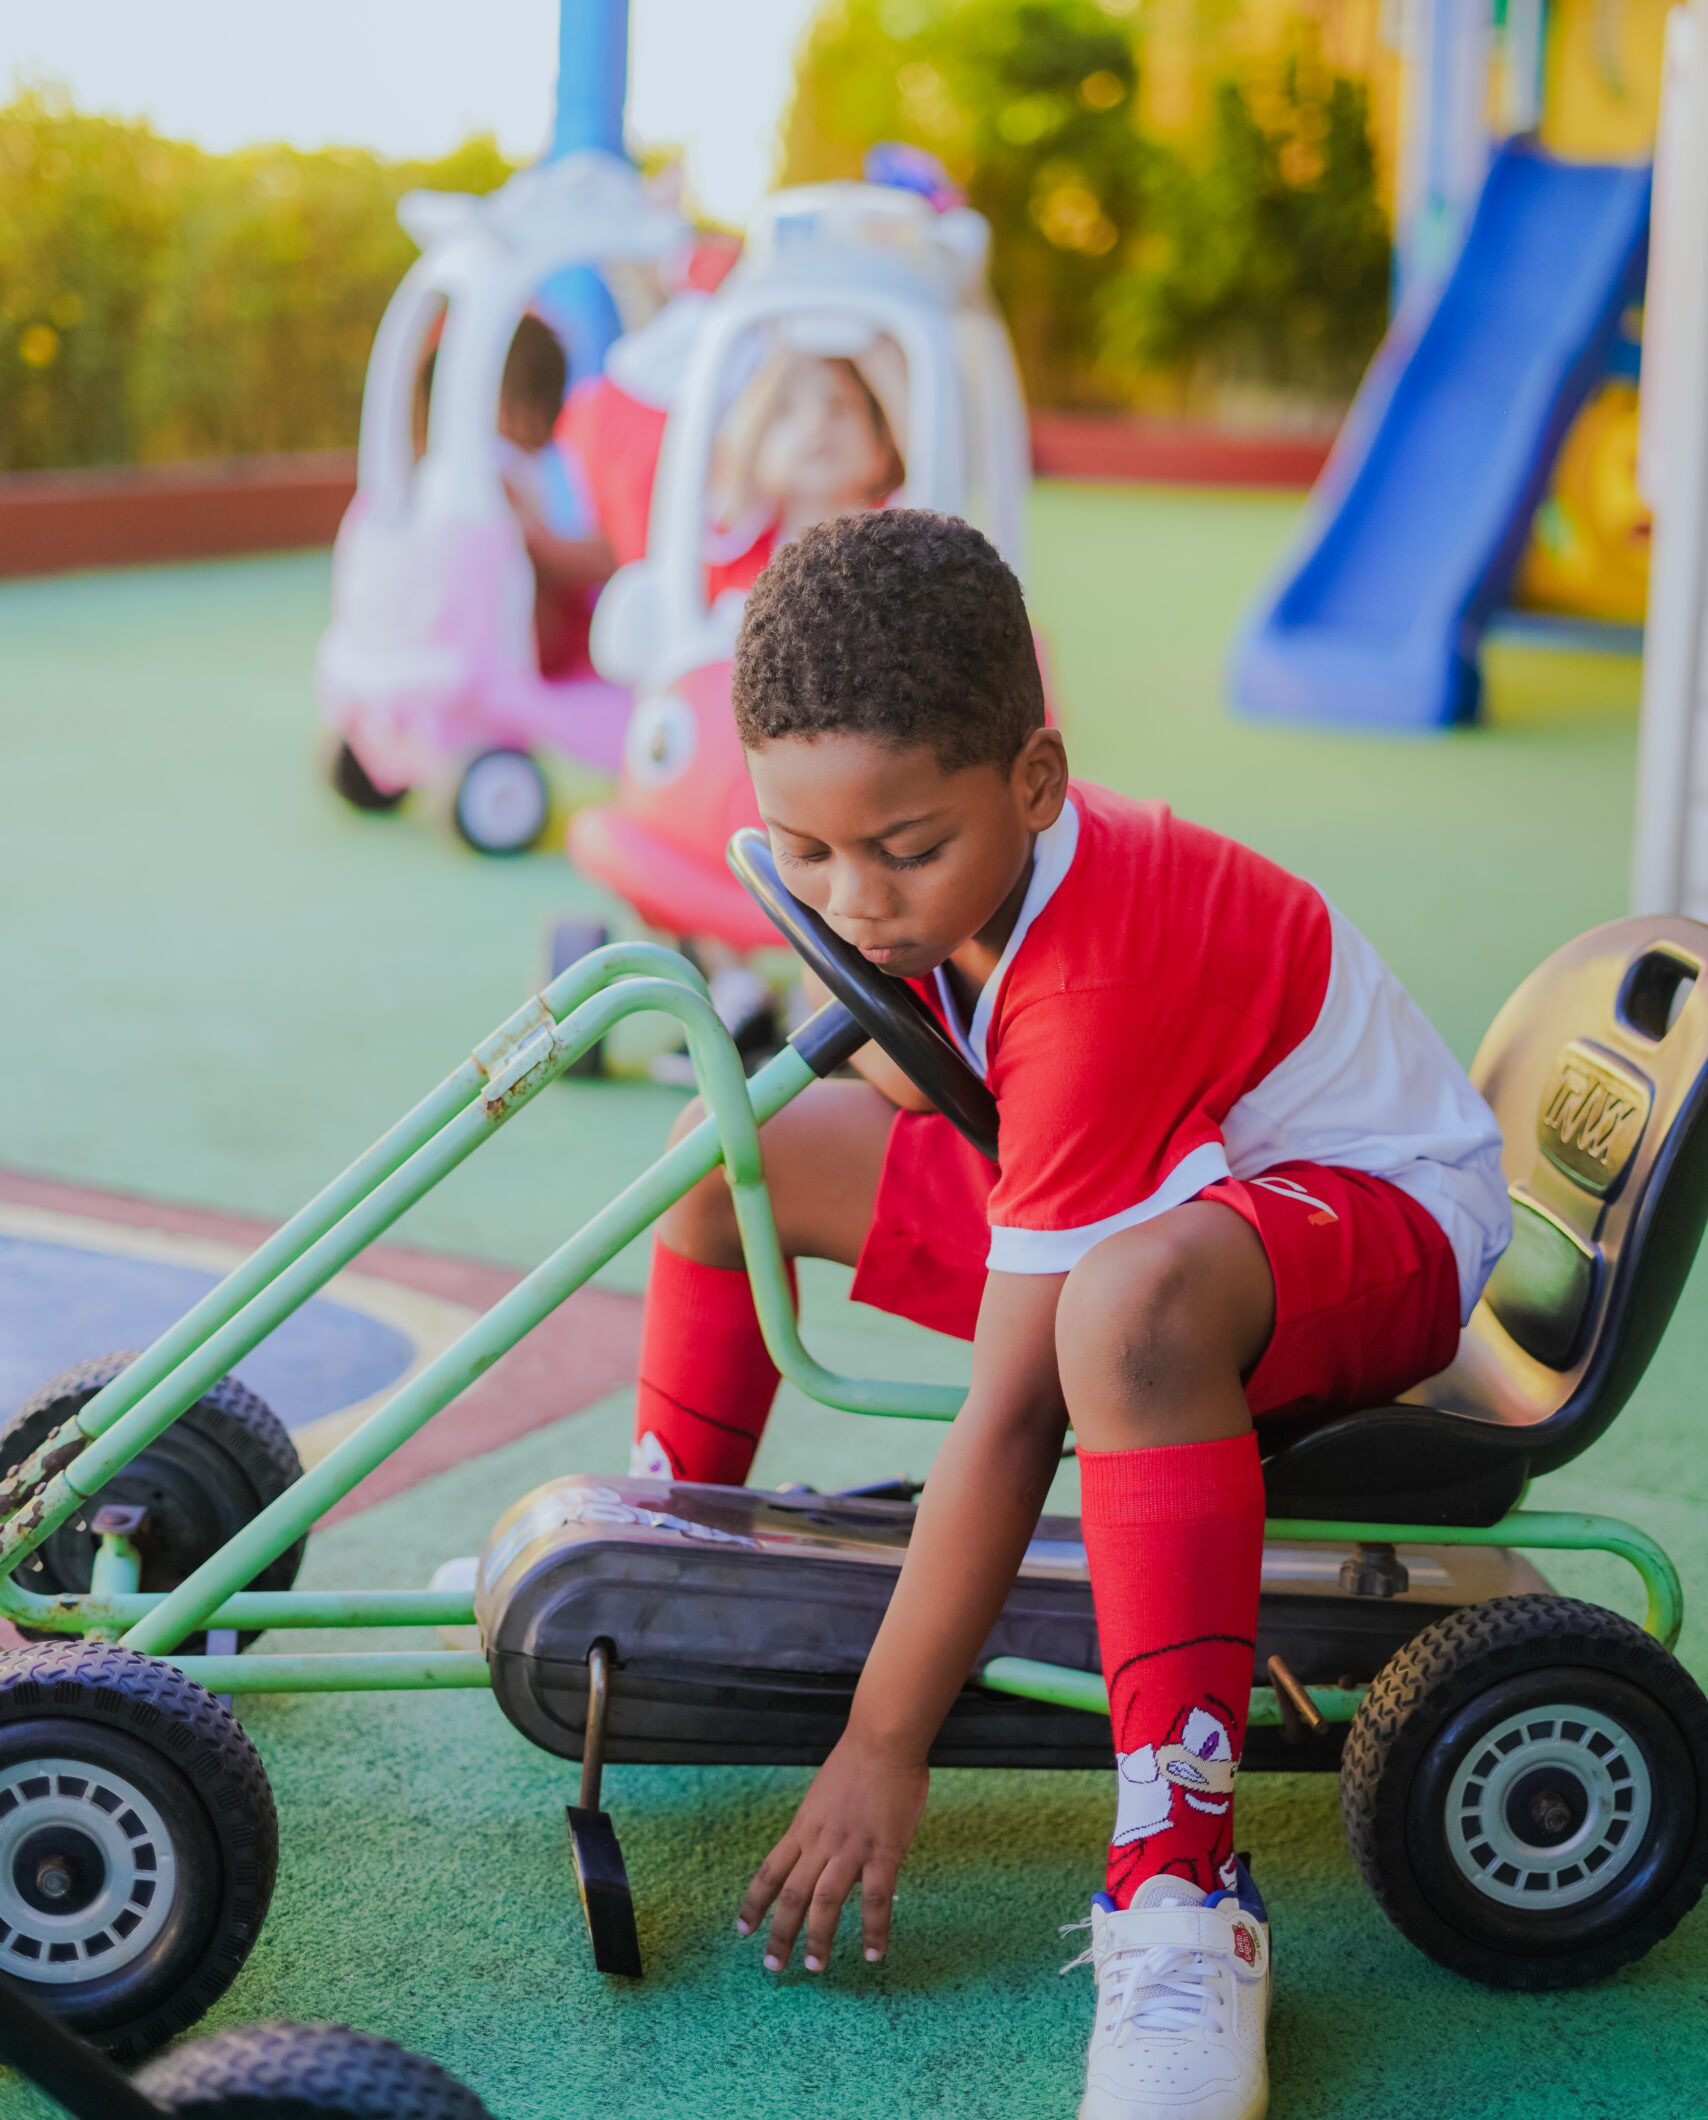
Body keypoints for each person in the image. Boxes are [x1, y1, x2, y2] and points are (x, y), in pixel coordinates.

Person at [633, 508, 1510, 2120]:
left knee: (1119, 1317)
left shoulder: (1097, 977)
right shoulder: (969, 883)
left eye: (906, 849)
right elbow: (936, 1069)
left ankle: (1182, 1888)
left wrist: (882, 1742)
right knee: (727, 1157)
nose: (858, 899)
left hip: (1374, 1220)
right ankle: (662, 1547)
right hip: (1183, 1173)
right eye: (806, 851)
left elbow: (1016, 1413)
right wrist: (888, 955)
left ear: (1036, 780)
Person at [703, 350, 905, 601]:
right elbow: (738, 466)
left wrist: (873, 359)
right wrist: (785, 351)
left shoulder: (899, 529)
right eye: (785, 410)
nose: (815, 424)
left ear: (882, 447)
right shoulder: (746, 535)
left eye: (839, 406)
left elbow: (927, 457)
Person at [490, 314, 614, 681]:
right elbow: (541, 547)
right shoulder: (497, 467)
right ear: (519, 409)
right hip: (533, 645)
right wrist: (619, 556)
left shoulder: (524, 463)